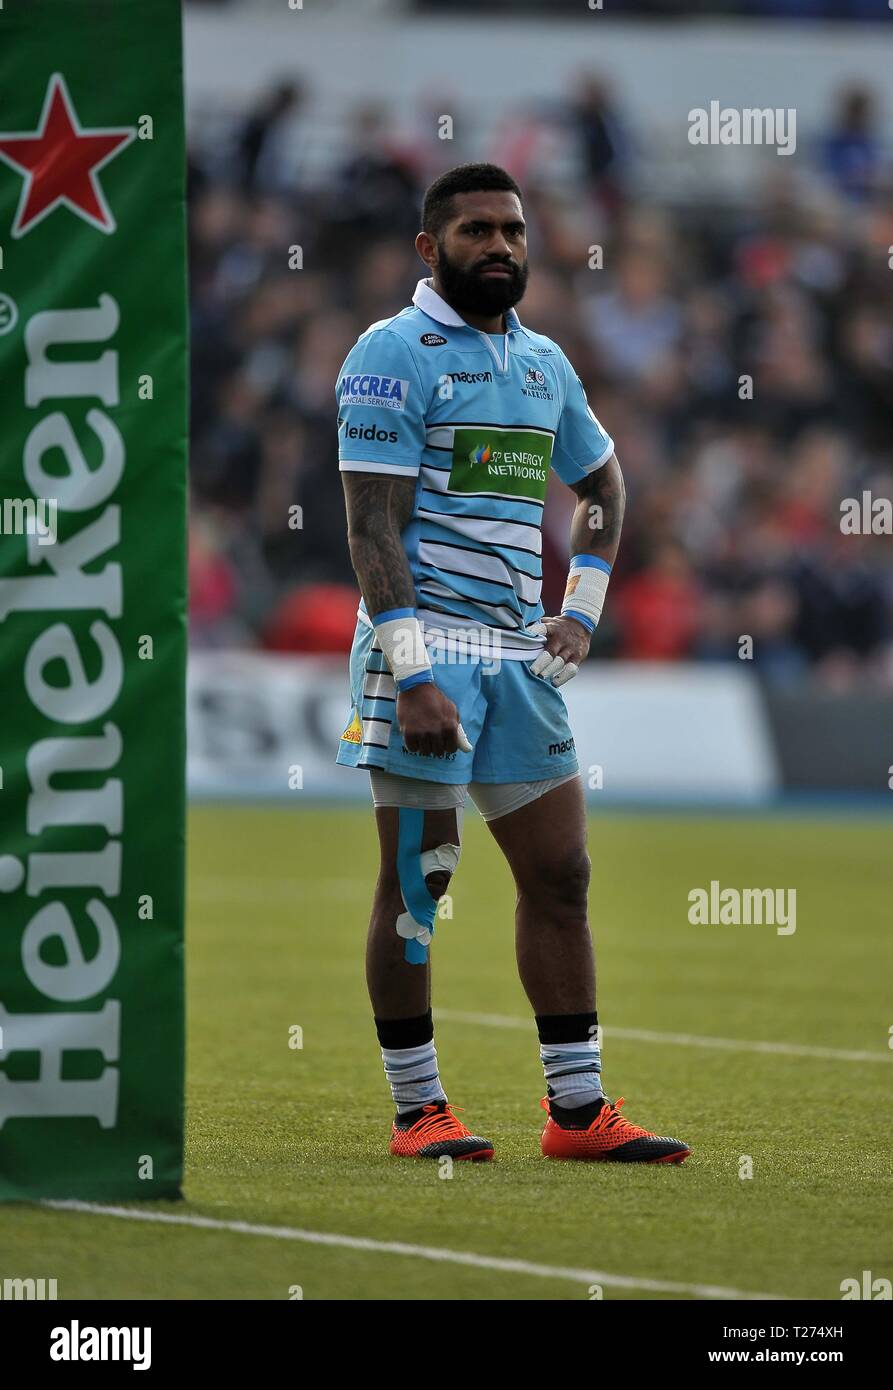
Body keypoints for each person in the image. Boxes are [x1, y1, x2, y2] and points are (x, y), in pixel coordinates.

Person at [335, 163, 690, 1165]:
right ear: (427, 248)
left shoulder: (542, 364)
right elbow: (370, 528)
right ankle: (418, 1110)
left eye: (512, 231)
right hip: (421, 644)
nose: (499, 246)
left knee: (561, 873)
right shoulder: (388, 353)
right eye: (476, 230)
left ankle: (574, 1113)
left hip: (516, 654)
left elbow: (604, 486)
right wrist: (409, 675)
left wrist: (577, 611)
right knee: (421, 882)